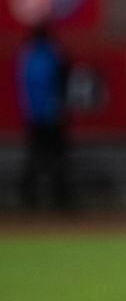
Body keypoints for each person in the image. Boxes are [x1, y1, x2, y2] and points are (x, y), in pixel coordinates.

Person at [17, 24, 71, 211]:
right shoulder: (51, 54)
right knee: (57, 159)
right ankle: (59, 197)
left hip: (33, 116)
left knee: (35, 159)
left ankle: (29, 197)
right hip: (50, 115)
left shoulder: (27, 56)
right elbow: (62, 78)